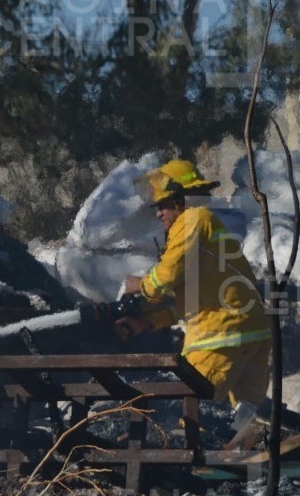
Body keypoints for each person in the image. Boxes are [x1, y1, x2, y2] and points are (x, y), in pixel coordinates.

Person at [117, 159, 273, 410]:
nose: (159, 214)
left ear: (180, 201)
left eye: (163, 206)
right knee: (248, 421)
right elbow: (194, 303)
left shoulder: (192, 219)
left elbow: (164, 278)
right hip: (252, 334)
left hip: (218, 337)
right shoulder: (206, 229)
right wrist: (148, 322)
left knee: (193, 416)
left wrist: (140, 285)